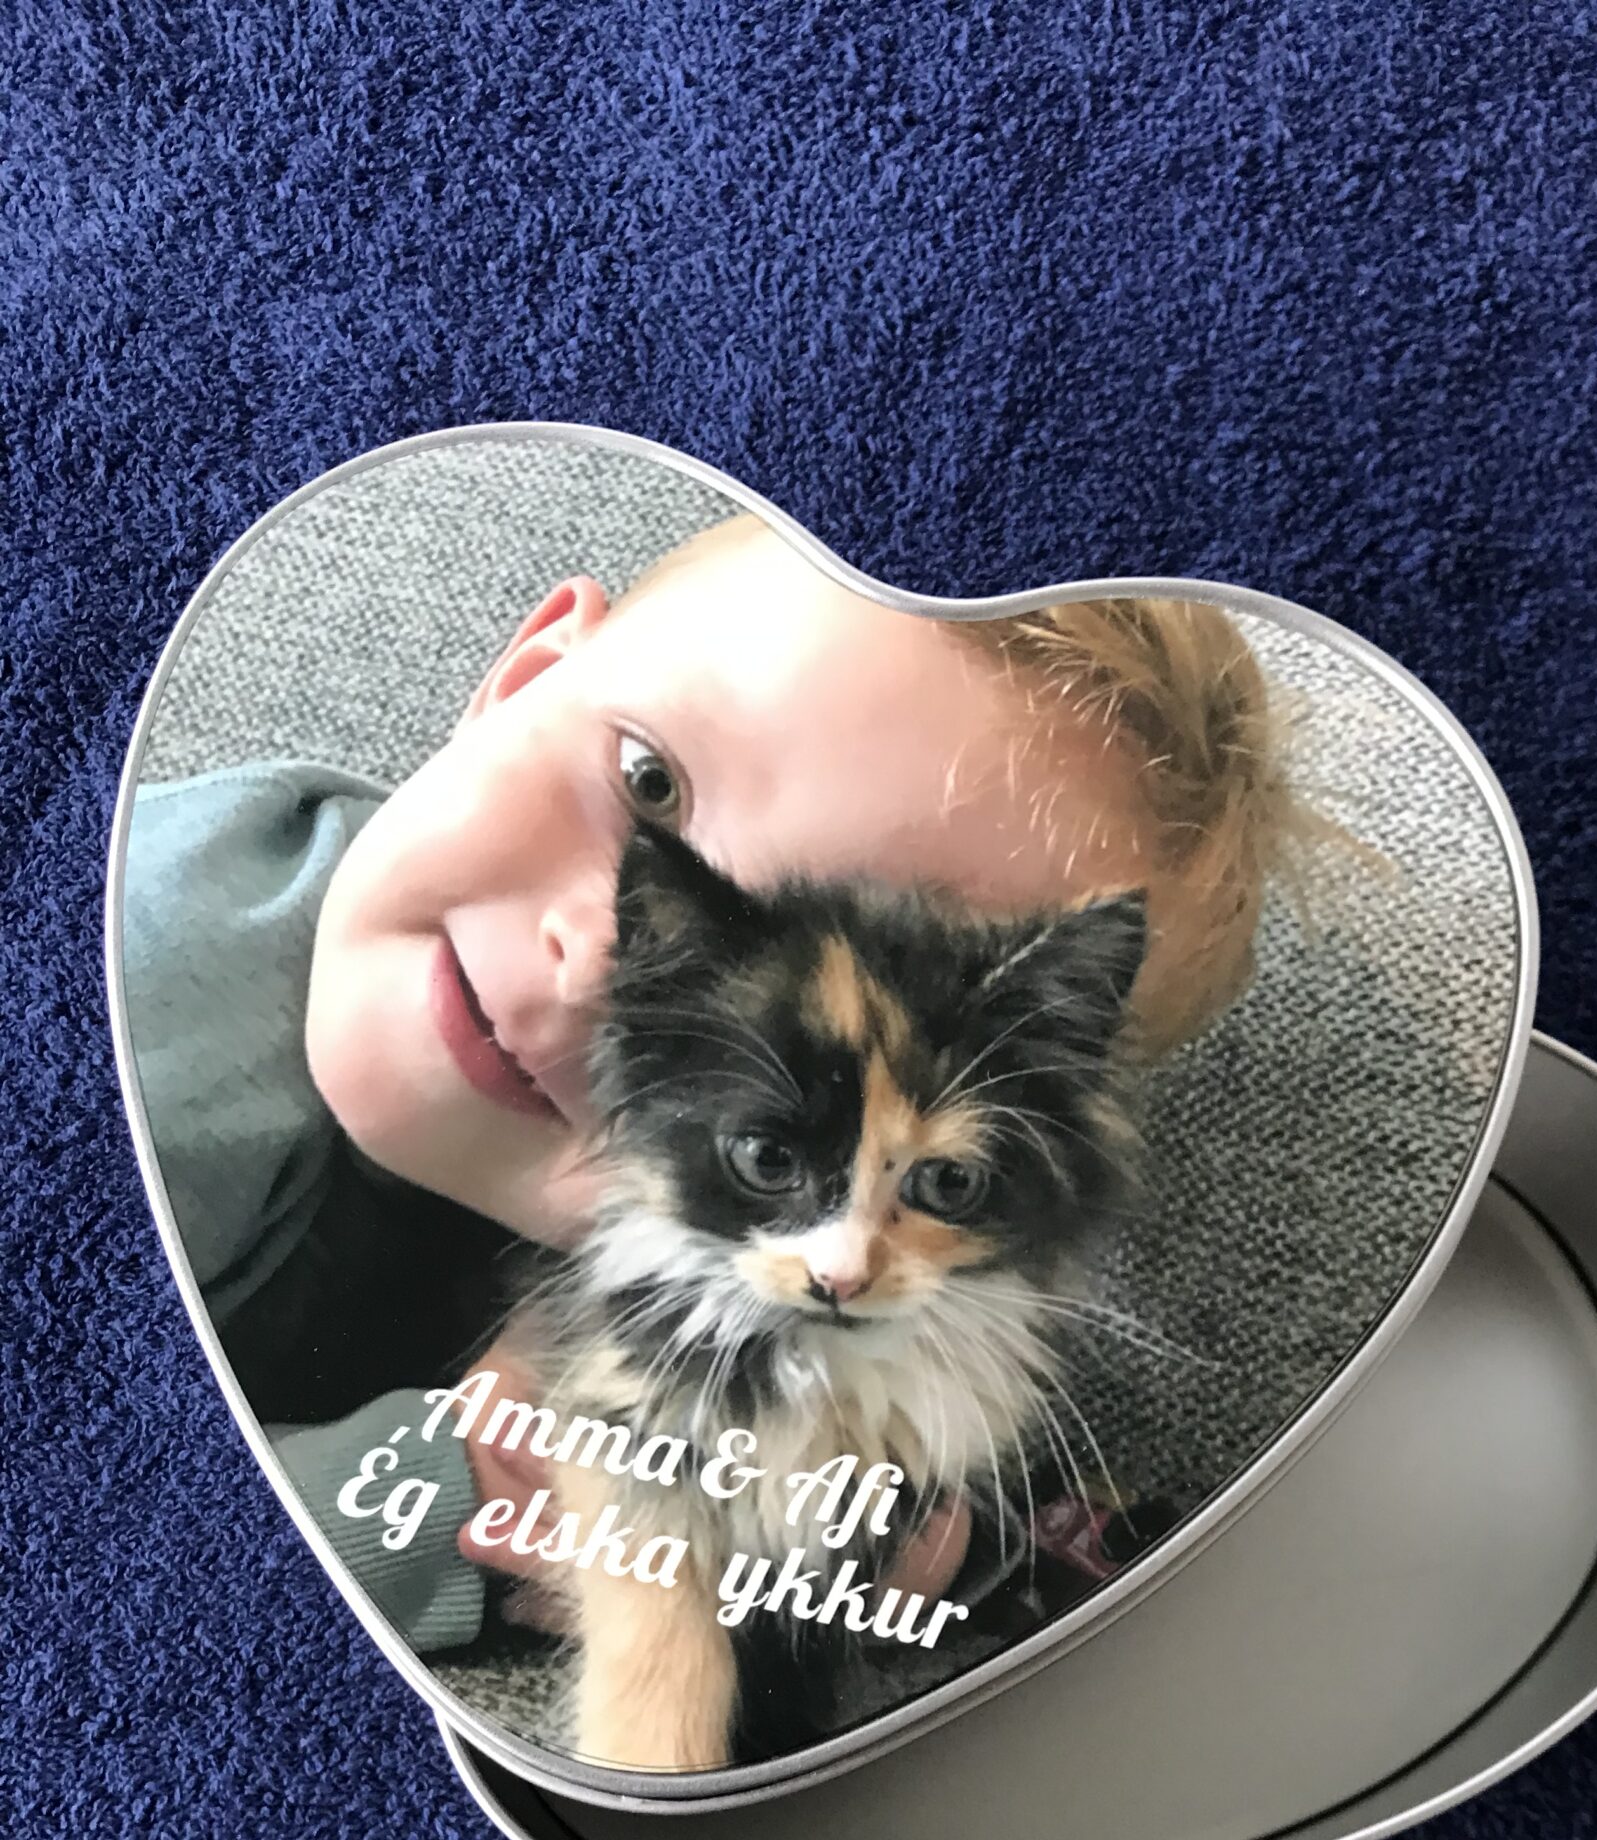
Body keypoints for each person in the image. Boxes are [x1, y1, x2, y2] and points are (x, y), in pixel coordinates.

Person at [123, 508, 1295, 1658]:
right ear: (525, 676)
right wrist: (449, 1482)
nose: (596, 964)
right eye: (650, 784)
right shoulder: (170, 960)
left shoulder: (655, 1238)